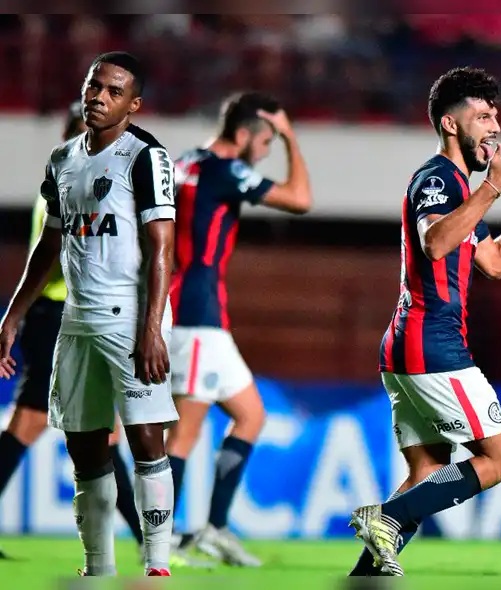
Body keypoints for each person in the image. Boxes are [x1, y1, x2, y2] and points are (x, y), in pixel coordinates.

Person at [348, 66, 501, 577]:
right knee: (500, 461)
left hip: (409, 348)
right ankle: (385, 517)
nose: (494, 125)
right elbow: (435, 241)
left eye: (497, 116)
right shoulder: (439, 179)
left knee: (426, 472)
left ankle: (363, 577)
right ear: (451, 124)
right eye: (482, 115)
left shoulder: (462, 193)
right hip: (432, 344)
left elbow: (492, 263)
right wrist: (491, 188)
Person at [0, 51, 179, 577]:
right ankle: (98, 566)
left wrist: (152, 329)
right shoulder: (62, 160)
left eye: (113, 91)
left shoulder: (146, 157)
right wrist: (13, 316)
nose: (99, 96)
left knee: (147, 439)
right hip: (75, 319)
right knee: (84, 447)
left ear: (133, 104)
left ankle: (156, 564)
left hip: (131, 317)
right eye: (94, 85)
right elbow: (48, 245)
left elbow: (162, 246)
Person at [166, 92, 312, 567]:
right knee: (184, 433)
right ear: (245, 134)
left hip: (196, 312)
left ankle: (214, 527)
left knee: (250, 414)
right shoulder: (226, 170)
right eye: (267, 139)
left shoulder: (185, 162)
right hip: (195, 316)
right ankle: (161, 537)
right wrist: (291, 137)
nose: (267, 149)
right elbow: (300, 199)